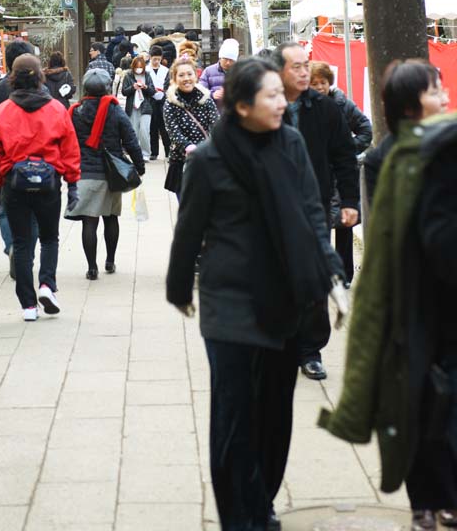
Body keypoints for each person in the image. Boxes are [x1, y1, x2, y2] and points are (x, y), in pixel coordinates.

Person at [167, 57, 346, 531]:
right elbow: (189, 230)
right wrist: (179, 286)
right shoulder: (208, 159)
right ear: (241, 106)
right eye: (270, 95)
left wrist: (332, 277)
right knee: (232, 414)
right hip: (229, 302)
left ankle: (261, 496)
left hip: (285, 296)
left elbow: (311, 212)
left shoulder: (290, 143)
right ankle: (237, 517)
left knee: (274, 411)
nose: (281, 101)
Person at [319, 98, 457, 531]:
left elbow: (347, 145)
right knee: (417, 406)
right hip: (415, 306)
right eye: (435, 90)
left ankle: (444, 499)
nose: (445, 97)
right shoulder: (393, 158)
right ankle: (426, 503)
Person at [274, 42, 359, 381]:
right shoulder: (266, 106)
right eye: (295, 66)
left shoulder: (324, 108)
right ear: (279, 71)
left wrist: (350, 201)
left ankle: (310, 349)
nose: (304, 71)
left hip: (314, 206)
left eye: (305, 65)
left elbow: (344, 156)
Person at [0, 54, 80, 321]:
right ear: (41, 77)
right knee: (49, 238)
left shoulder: (2, 111)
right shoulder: (56, 109)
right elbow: (70, 149)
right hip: (48, 182)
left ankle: (28, 305)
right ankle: (47, 285)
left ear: (13, 77)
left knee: (23, 244)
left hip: (14, 183)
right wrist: (72, 184)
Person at [68, 69, 145, 279]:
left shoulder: (75, 111)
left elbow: (67, 142)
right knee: (111, 219)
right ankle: (110, 261)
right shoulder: (114, 110)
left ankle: (91, 267)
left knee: (89, 222)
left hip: (84, 173)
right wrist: (139, 166)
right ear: (107, 87)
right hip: (111, 174)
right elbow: (130, 140)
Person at [310, 61, 373, 285]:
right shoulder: (304, 107)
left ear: (330, 83)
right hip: (318, 175)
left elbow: (366, 129)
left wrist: (347, 151)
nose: (319, 87)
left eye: (323, 82)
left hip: (342, 174)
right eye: (314, 83)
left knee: (345, 225)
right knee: (322, 225)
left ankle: (345, 274)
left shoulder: (343, 104)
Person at [0, 39, 35, 276]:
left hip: (3, 160)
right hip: (34, 160)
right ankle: (26, 254)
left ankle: (13, 246)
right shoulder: (39, 91)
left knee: (3, 208)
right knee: (32, 210)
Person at [363, 59, 449, 206]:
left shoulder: (450, 142)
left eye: (442, 91)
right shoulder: (380, 160)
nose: (445, 100)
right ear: (408, 107)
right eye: (435, 93)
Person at [163, 57, 218, 198]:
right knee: (187, 210)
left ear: (196, 75)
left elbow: (216, 125)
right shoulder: (170, 103)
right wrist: (188, 147)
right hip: (181, 161)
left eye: (189, 74)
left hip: (207, 159)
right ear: (174, 78)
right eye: (181, 75)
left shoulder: (206, 99)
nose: (186, 78)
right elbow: (173, 131)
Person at [122, 55, 155, 160]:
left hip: (145, 107)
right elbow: (124, 91)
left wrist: (145, 87)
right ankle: (136, 154)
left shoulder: (147, 75)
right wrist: (133, 87)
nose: (139, 69)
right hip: (132, 107)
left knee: (144, 131)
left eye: (141, 67)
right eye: (137, 67)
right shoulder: (128, 76)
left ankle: (146, 153)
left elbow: (152, 91)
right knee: (134, 132)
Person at [199, 38, 239, 108]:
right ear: (220, 58)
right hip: (214, 110)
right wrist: (212, 94)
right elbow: (200, 90)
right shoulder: (208, 71)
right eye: (225, 59)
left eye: (231, 60)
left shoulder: (240, 72)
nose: (228, 63)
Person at [147, 44, 170, 160]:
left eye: (158, 59)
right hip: (150, 100)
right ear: (150, 57)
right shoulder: (146, 70)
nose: (156, 61)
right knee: (152, 128)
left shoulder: (166, 70)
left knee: (165, 127)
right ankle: (154, 152)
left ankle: (168, 151)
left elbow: (168, 85)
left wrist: (164, 94)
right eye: (154, 59)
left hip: (163, 100)